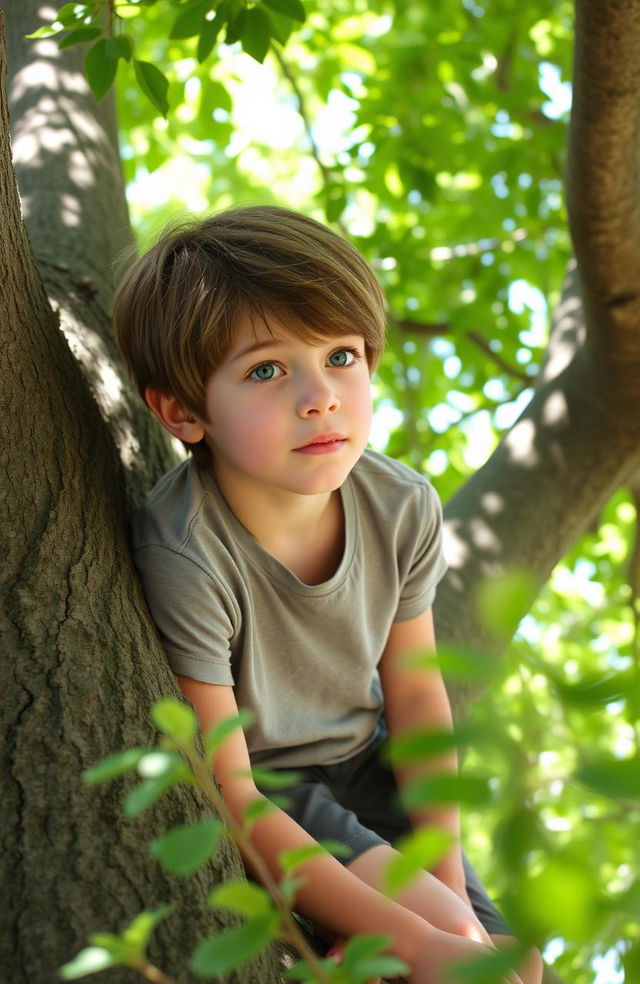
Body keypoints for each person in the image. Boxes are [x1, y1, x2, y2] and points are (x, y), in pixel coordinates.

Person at [114, 205, 542, 984]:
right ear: (181, 411)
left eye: (341, 354)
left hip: (371, 761)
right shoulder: (188, 551)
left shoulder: (401, 504)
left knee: (518, 963)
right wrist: (422, 935)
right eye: (267, 370)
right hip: (275, 781)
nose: (321, 397)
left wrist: (445, 879)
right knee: (444, 940)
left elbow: (414, 695)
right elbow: (230, 789)